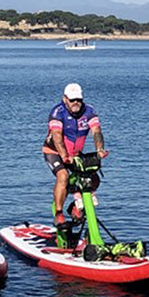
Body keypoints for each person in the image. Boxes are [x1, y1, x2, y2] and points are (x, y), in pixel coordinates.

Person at [43, 82, 108, 244]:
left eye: (78, 99)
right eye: (72, 100)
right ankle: (59, 213)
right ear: (65, 99)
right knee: (63, 176)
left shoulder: (89, 111)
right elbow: (57, 136)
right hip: (54, 153)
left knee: (93, 180)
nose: (76, 103)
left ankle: (75, 206)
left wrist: (100, 149)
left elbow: (97, 132)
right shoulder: (58, 112)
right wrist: (64, 156)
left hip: (75, 154)